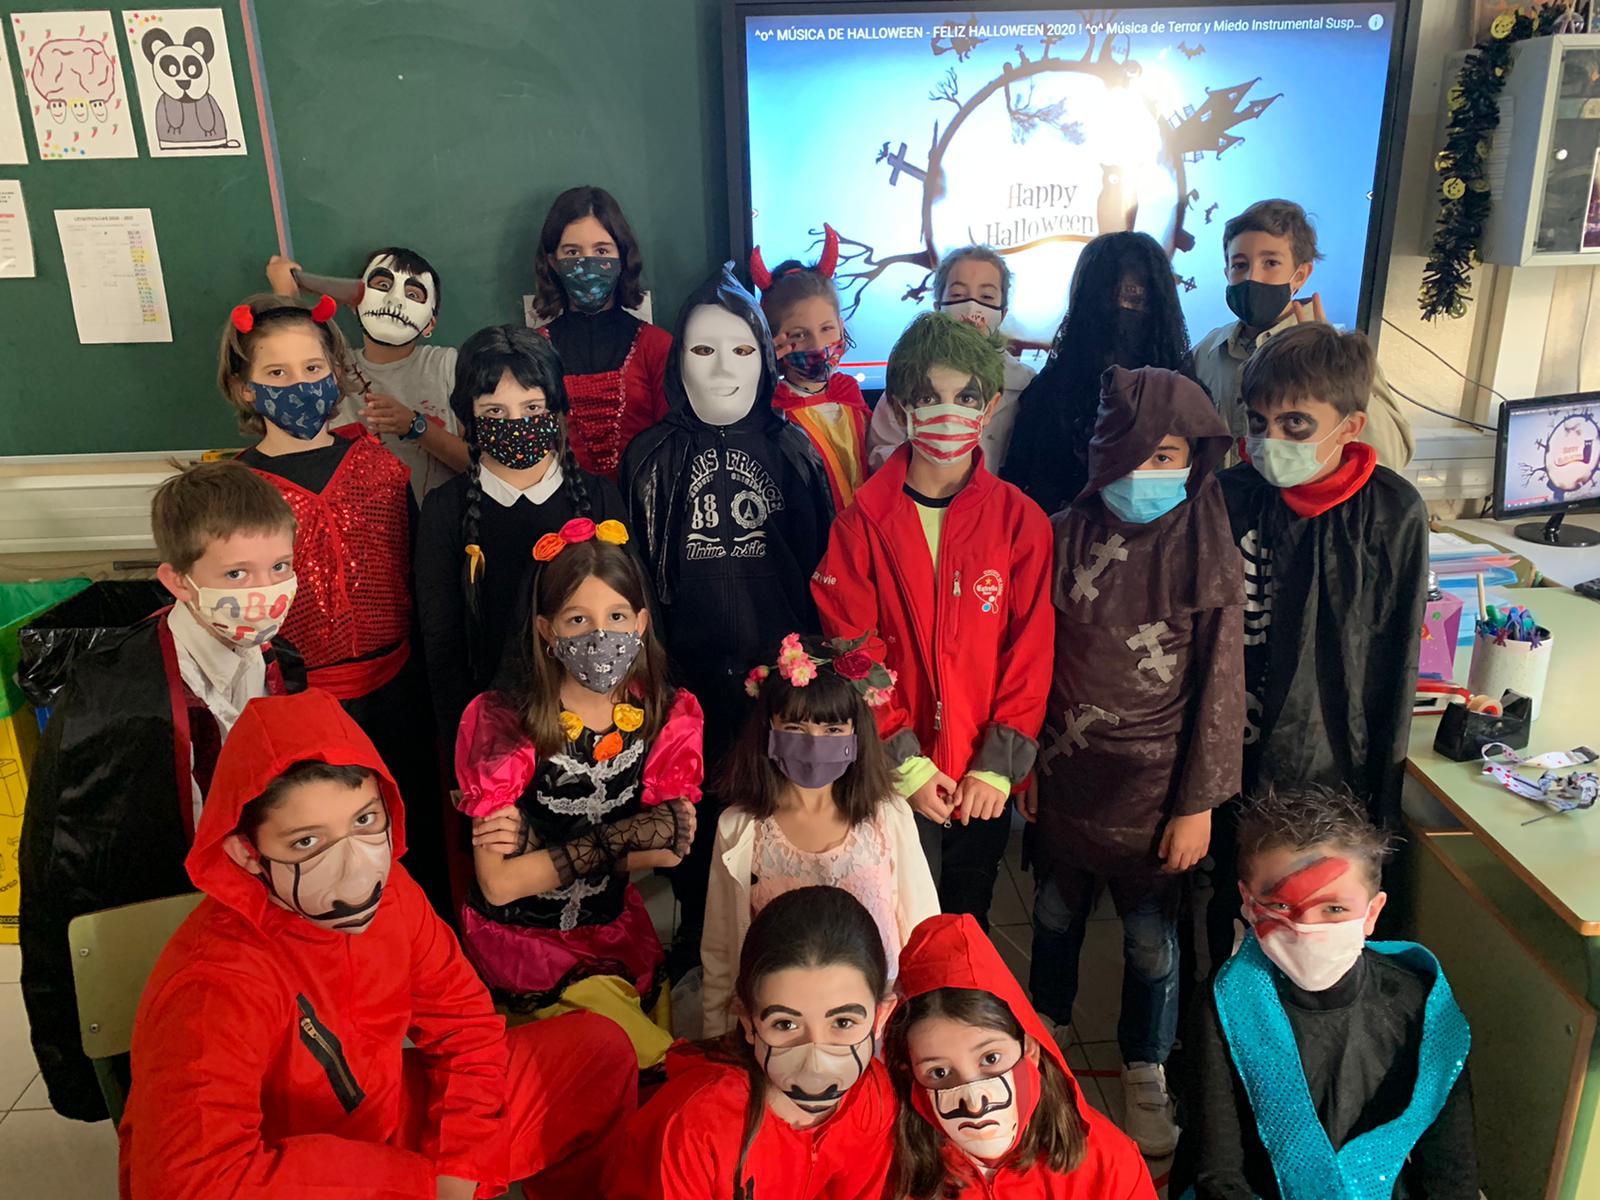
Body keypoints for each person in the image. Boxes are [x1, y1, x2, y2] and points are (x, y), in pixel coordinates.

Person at [118, 689, 638, 1200]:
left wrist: (460, 1162)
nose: (355, 866)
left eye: (364, 821)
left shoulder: (394, 894)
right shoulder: (212, 983)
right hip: (285, 1177)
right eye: (307, 842)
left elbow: (465, 1027)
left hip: (387, 1122)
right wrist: (415, 1185)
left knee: (597, 1055)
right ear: (245, 852)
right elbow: (189, 1183)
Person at [19, 462, 304, 1123]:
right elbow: (72, 865)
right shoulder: (114, 694)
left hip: (269, 923)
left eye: (279, 567)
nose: (265, 593)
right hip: (173, 932)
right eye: (237, 574)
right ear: (177, 581)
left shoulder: (283, 665)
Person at [1025, 365, 1245, 1157]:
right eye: (1135, 453)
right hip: (1066, 770)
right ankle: (1045, 1031)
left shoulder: (1205, 546)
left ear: (1195, 459)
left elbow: (1220, 684)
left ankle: (1144, 1065)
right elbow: (1030, 662)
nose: (1148, 472)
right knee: (1054, 914)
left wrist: (1198, 804)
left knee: (1151, 942)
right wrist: (1022, 762)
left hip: (1159, 791)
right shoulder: (1060, 535)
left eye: (1167, 457)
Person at [622, 263, 835, 970]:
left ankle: (777, 922)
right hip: (683, 676)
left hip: (777, 676)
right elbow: (633, 580)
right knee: (693, 808)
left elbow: (822, 572)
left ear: (765, 356)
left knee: (776, 802)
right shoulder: (648, 458)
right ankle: (696, 929)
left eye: (741, 349)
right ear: (678, 360)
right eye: (702, 350)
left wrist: (814, 671)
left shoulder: (794, 450)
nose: (721, 370)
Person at [812, 312, 1052, 926]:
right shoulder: (861, 523)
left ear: (990, 406)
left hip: (983, 774)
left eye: (966, 397)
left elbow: (1030, 650)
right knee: (893, 918)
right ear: (900, 407)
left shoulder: (1020, 521)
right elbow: (854, 652)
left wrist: (997, 764)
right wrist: (907, 763)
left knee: (968, 919)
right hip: (894, 770)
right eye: (928, 397)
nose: (948, 412)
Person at [1206, 324, 1427, 964]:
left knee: (1315, 900)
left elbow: (1394, 657)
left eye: (1296, 424)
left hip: (1335, 752)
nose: (1271, 440)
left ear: (1350, 426)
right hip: (1236, 741)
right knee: (1233, 897)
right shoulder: (1229, 497)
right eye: (1258, 422)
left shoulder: (1392, 511)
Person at [220, 292, 448, 913]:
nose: (299, 385)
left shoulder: (376, 465)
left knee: (409, 836)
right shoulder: (238, 490)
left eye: (313, 368)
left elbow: (416, 575)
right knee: (326, 853)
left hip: (399, 691)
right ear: (245, 388)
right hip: (297, 704)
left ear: (336, 373)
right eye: (276, 373)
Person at [453, 521, 703, 1065]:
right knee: (645, 1063)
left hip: (615, 932)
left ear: (641, 622)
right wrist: (623, 837)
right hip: (527, 946)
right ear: (547, 630)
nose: (600, 634)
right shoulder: (505, 722)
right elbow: (499, 884)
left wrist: (541, 848)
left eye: (616, 617)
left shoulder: (666, 712)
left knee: (648, 1073)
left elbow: (671, 848)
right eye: (577, 620)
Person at [1173, 785, 1478, 1199]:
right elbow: (1219, 1171)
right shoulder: (1224, 1005)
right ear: (1248, 902)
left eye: (1334, 909)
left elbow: (1451, 1170)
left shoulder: (1421, 1005)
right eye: (1280, 906)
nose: (1306, 928)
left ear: (1372, 913)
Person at [700, 633, 938, 1037]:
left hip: (880, 1028)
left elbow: (925, 931)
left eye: (833, 729)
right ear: (768, 729)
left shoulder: (889, 817)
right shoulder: (740, 829)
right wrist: (717, 1041)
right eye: (795, 727)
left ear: (856, 733)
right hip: (784, 1032)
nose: (813, 744)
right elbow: (720, 950)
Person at [609, 886, 901, 1199]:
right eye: (785, 1024)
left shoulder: (873, 1099)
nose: (815, 1061)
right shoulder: (696, 1125)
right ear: (748, 1022)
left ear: (880, 1017)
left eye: (843, 1022)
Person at [415, 324, 630, 743]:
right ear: (468, 415)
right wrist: (467, 745)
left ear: (555, 408)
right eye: (495, 412)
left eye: (532, 407)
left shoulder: (599, 498)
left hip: (597, 725)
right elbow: (441, 644)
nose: (516, 423)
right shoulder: (445, 510)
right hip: (495, 731)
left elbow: (636, 619)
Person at [885, 912, 1156, 1198]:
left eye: (990, 1058)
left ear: (1030, 1048)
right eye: (939, 1072)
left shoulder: (1108, 1163)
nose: (975, 1103)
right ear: (909, 1074)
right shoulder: (889, 1169)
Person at [1191, 199, 1414, 468]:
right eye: (1240, 265)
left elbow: (1391, 458)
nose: (1253, 277)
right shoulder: (1207, 352)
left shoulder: (1336, 353)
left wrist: (1336, 369)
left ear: (1300, 275)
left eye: (1271, 263)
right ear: (1227, 272)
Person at [1002, 232, 1197, 516]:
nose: (1121, 311)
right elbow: (1020, 489)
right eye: (1108, 299)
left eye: (1135, 298)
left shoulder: (1183, 395)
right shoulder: (1047, 394)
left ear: (1156, 304)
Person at [267, 247, 470, 500]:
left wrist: (416, 426)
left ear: (430, 324)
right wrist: (286, 294)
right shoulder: (332, 369)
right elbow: (289, 364)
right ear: (355, 304)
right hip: (353, 522)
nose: (394, 301)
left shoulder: (447, 366)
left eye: (413, 294)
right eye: (382, 285)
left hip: (440, 522)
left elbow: (482, 468)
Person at [531, 185, 671, 480]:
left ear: (622, 257)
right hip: (563, 506)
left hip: (645, 502)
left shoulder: (657, 346)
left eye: (601, 250)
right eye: (572, 252)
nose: (587, 263)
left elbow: (673, 447)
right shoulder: (532, 352)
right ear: (553, 261)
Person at [868, 244, 1034, 473]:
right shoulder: (907, 375)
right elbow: (880, 452)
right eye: (958, 295)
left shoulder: (1025, 384)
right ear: (938, 307)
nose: (972, 307)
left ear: (1003, 312)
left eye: (986, 296)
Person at [751, 223, 872, 511]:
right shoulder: (772, 411)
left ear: (841, 327)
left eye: (827, 328)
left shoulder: (849, 393)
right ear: (774, 339)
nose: (818, 345)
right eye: (799, 335)